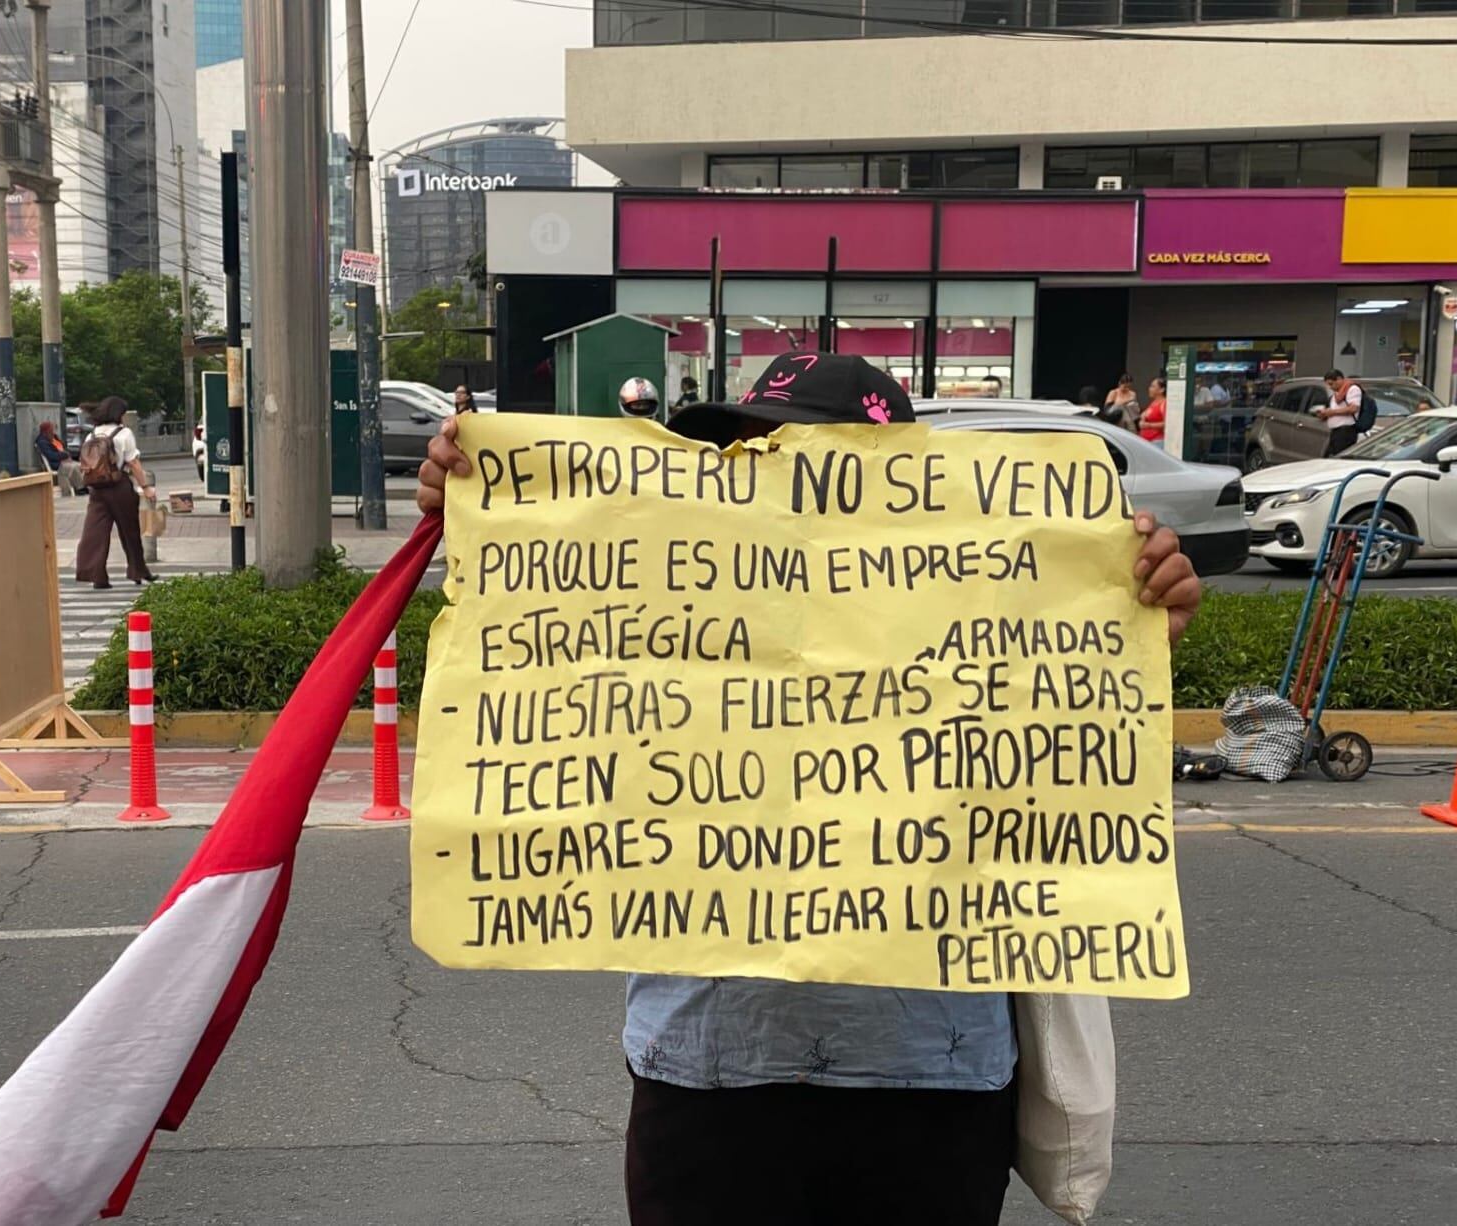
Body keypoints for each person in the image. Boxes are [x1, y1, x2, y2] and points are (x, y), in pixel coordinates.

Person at [415, 352, 1200, 1226]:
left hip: (926, 1077)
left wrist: (1129, 624)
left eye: (801, 454)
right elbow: (540, 649)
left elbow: (1061, 780)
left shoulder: (979, 605)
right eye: (753, 450)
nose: (767, 478)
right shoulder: (681, 607)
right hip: (711, 1068)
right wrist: (486, 507)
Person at [74, 396, 156, 589]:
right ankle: (138, 571)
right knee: (129, 530)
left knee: (95, 531)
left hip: (97, 489)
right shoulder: (124, 433)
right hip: (119, 486)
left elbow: (84, 463)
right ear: (119, 414)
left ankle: (96, 575)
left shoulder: (92, 435)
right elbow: (133, 463)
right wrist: (146, 487)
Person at [1316, 370, 1362, 457]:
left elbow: (1353, 408)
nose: (1330, 387)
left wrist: (1332, 412)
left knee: (1340, 457)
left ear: (1339, 379)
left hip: (1345, 431)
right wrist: (1324, 414)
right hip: (1335, 432)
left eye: (1331, 384)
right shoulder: (1336, 395)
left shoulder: (1352, 389)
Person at [34, 421, 83, 497]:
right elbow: (51, 456)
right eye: (51, 430)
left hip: (64, 460)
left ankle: (82, 487)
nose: (53, 432)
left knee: (80, 465)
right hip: (56, 463)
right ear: (46, 431)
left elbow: (62, 449)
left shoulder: (54, 438)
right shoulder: (42, 442)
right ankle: (80, 488)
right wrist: (65, 455)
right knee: (73, 467)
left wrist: (67, 455)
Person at [1138, 376, 1167, 447]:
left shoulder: (1164, 403)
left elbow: (1167, 424)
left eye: (1153, 386)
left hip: (1156, 441)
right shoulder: (1154, 402)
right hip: (1146, 441)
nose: (1149, 389)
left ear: (1162, 389)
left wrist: (1148, 425)